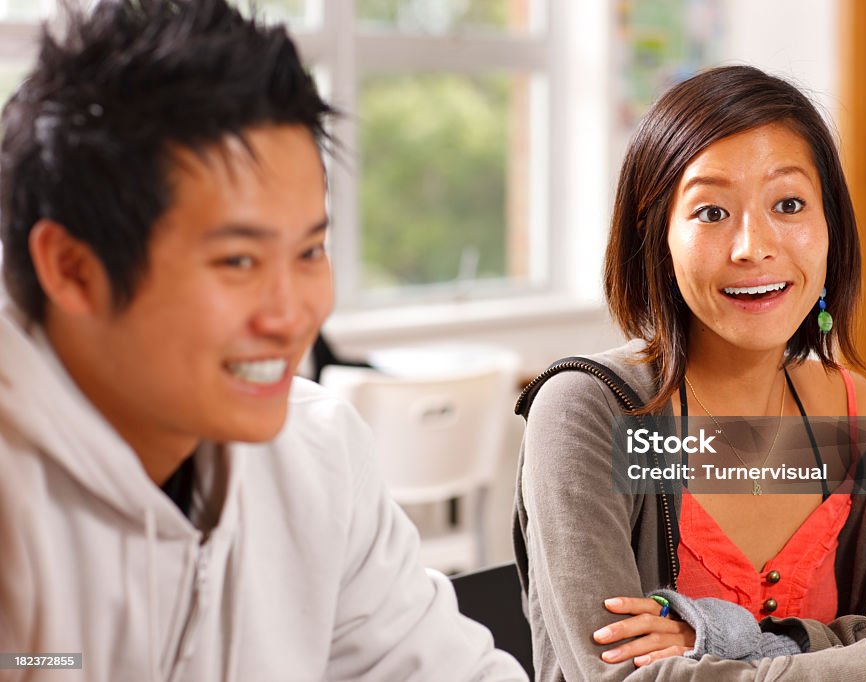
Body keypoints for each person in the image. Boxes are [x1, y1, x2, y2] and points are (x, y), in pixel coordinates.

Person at [0, 1, 526, 680]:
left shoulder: (316, 455)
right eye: (238, 262)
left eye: (310, 252)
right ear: (72, 268)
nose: (290, 314)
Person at [512, 65, 866, 681]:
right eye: (711, 212)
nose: (753, 247)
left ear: (830, 227)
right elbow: (620, 678)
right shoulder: (586, 410)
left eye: (789, 204)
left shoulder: (847, 406)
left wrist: (740, 642)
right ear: (656, 237)